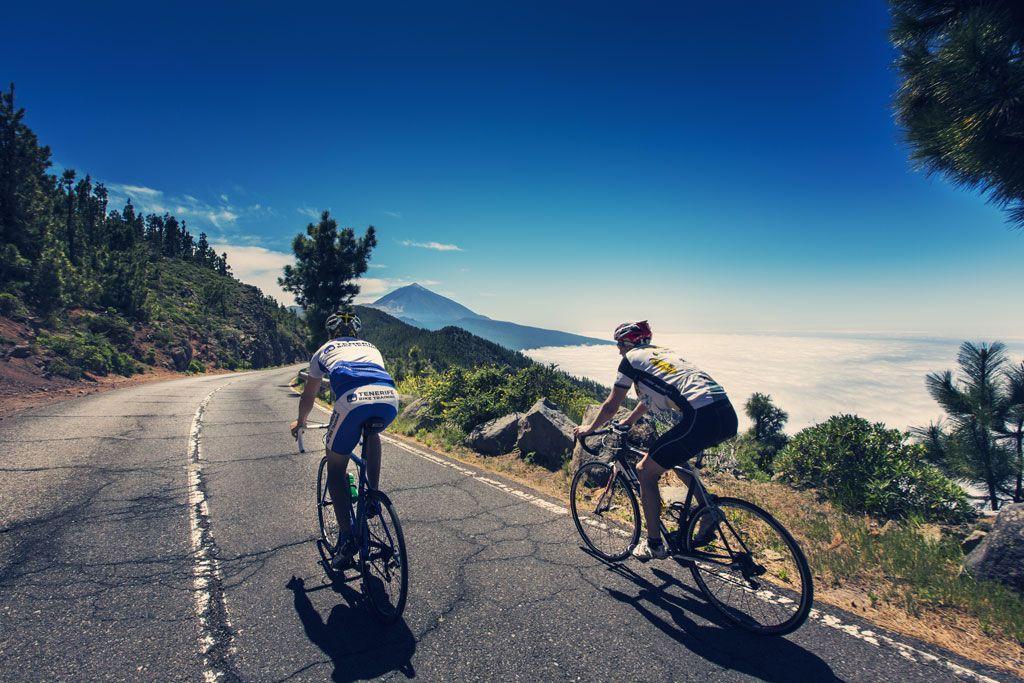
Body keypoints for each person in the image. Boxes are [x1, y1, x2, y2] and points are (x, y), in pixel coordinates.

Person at [573, 321, 738, 561]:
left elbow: (611, 405)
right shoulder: (662, 354)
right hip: (725, 414)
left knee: (645, 471)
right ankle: (708, 510)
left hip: (700, 417)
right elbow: (649, 399)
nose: (618, 350)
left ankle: (654, 544)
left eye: (620, 344)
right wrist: (629, 421)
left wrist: (589, 428)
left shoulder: (630, 360)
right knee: (675, 459)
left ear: (629, 342)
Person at [290, 309, 399, 568]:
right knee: (372, 433)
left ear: (331, 332)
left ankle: (348, 538)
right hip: (389, 398)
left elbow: (309, 395)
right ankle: (372, 495)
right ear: (356, 333)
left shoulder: (323, 350)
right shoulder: (371, 347)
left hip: (352, 401)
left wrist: (301, 421)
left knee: (336, 468)